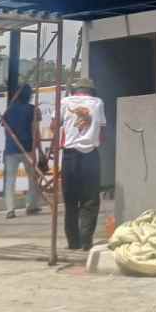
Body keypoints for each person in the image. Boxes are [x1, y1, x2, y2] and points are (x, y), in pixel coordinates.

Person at [57, 77, 106, 251]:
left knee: (70, 200)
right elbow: (102, 133)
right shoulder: (98, 103)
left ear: (74, 90)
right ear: (91, 91)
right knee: (90, 200)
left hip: (70, 156)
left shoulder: (64, 102)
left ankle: (73, 242)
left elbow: (55, 125)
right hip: (90, 156)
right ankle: (86, 241)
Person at [2, 85, 42, 219]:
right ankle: (31, 206)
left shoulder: (9, 110)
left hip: (11, 149)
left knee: (10, 180)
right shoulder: (32, 110)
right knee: (32, 178)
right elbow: (35, 131)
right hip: (27, 148)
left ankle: (10, 209)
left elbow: (6, 130)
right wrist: (40, 150)